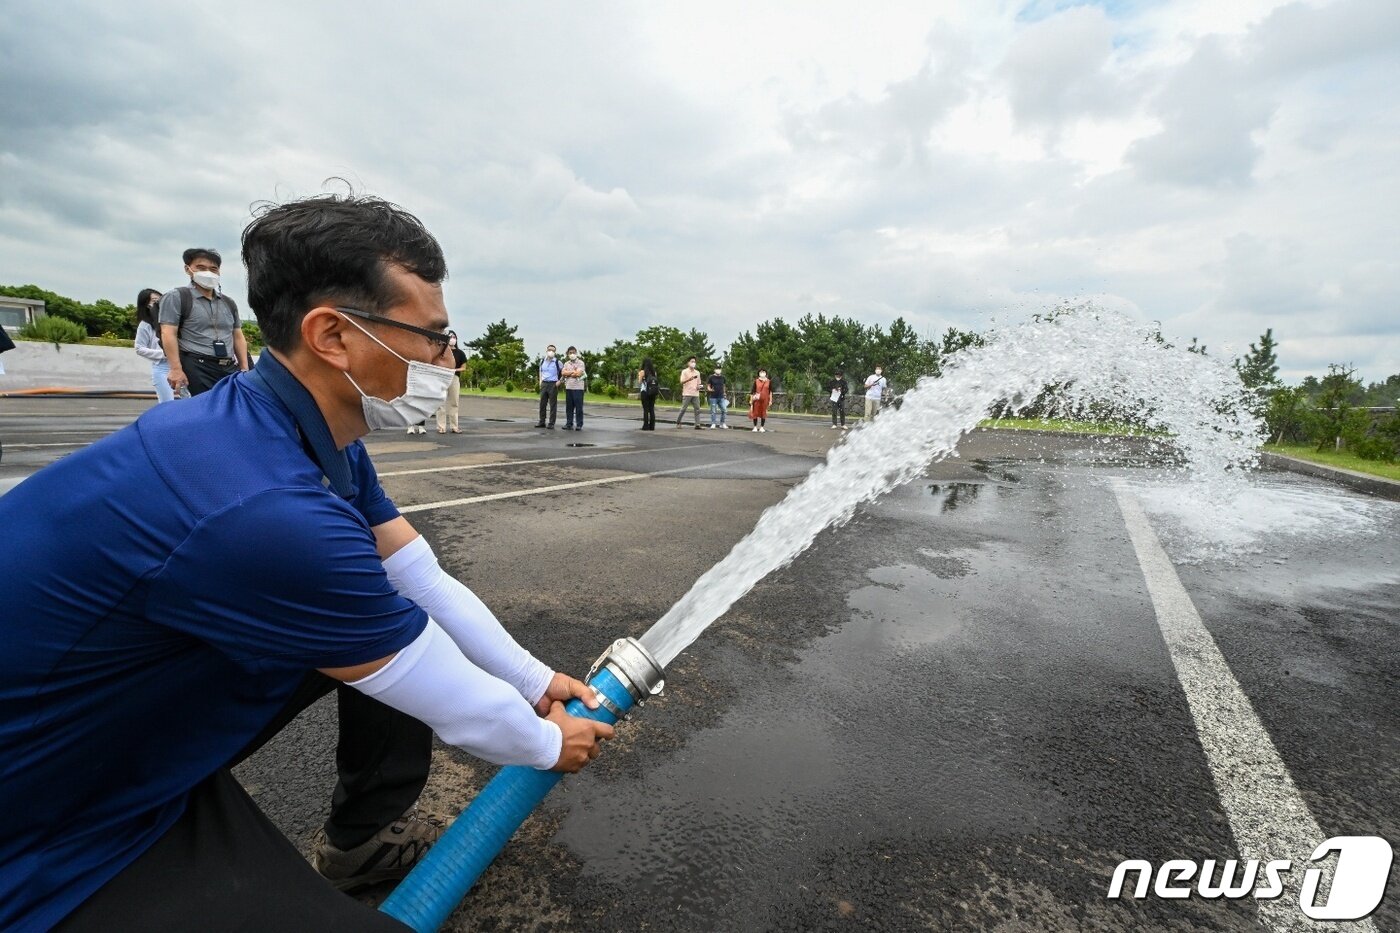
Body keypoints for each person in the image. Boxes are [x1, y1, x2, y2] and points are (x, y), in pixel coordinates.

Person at [0, 192, 614, 932]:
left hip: (109, 733)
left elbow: (420, 581)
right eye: (432, 337)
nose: (445, 360)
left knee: (385, 617)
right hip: (47, 818)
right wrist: (548, 744)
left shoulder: (288, 428)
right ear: (333, 335)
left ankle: (362, 842)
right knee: (380, 636)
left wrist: (535, 681)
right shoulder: (266, 508)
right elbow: (451, 698)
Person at [158, 247, 250, 395]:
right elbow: (168, 333)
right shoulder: (177, 297)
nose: (208, 272)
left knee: (232, 405)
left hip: (228, 366)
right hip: (197, 366)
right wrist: (176, 369)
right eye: (201, 268)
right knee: (203, 406)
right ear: (188, 269)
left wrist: (244, 368)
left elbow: (238, 336)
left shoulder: (228, 302)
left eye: (213, 269)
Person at [134, 288, 175, 404]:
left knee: (188, 401)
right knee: (167, 404)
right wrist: (165, 354)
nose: (159, 303)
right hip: (162, 368)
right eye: (154, 301)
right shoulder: (145, 325)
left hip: (181, 366)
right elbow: (139, 348)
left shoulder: (172, 322)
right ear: (146, 305)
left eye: (161, 299)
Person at [435, 330, 466, 434]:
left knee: (454, 402)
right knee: (441, 403)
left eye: (454, 337)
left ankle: (454, 426)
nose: (452, 339)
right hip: (442, 378)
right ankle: (441, 427)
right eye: (450, 337)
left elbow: (464, 367)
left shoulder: (460, 353)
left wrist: (454, 370)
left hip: (454, 378)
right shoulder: (441, 351)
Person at [536, 343, 562, 428]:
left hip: (553, 384)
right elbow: (540, 371)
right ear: (546, 351)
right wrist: (540, 382)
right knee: (542, 404)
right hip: (544, 383)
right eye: (549, 350)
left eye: (553, 351)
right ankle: (542, 421)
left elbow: (564, 373)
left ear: (555, 352)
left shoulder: (558, 362)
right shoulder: (542, 361)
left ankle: (551, 423)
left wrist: (560, 381)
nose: (551, 352)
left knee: (552, 405)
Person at [561, 346, 586, 430]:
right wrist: (572, 372)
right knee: (569, 407)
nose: (572, 354)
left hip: (578, 388)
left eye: (573, 352)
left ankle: (579, 424)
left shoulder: (581, 363)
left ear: (576, 353)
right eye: (570, 353)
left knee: (579, 408)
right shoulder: (566, 363)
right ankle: (569, 424)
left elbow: (578, 374)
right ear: (568, 354)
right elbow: (563, 373)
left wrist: (568, 373)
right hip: (569, 387)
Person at [676, 356, 704, 429]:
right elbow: (681, 381)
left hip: (695, 393)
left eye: (694, 362)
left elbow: (699, 383)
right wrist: (689, 379)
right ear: (688, 363)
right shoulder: (684, 371)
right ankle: (678, 422)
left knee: (697, 409)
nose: (693, 363)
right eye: (692, 361)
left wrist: (699, 387)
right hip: (687, 393)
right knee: (683, 409)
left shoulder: (697, 372)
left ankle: (697, 424)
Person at [637, 356, 659, 430]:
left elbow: (639, 382)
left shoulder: (642, 372)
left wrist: (641, 376)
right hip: (652, 392)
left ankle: (645, 426)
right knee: (651, 409)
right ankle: (652, 426)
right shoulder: (654, 372)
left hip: (644, 392)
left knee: (646, 409)